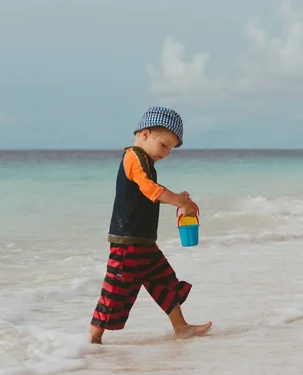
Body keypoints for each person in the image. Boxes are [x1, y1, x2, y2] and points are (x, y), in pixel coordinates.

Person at [89, 106, 212, 344]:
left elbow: (150, 193)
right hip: (127, 242)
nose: (166, 153)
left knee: (165, 281)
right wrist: (178, 200)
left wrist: (179, 198)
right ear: (144, 134)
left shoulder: (145, 160)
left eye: (171, 149)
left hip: (144, 242)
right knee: (115, 290)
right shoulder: (134, 157)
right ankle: (93, 339)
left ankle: (181, 327)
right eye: (164, 145)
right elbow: (149, 189)